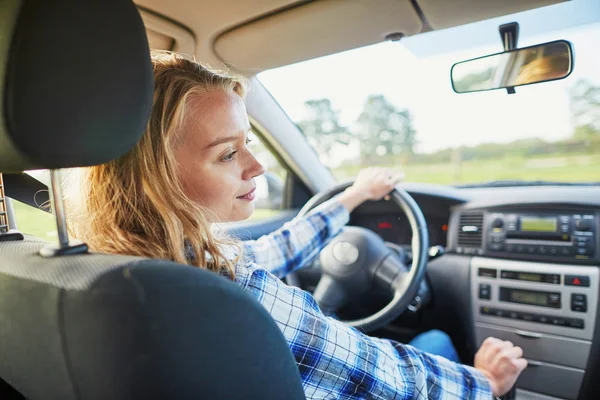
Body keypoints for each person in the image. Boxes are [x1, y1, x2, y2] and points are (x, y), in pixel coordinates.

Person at [64, 52, 526, 399]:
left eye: (248, 143)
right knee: (436, 341)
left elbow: (273, 249)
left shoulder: (99, 264)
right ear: (155, 177)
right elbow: (381, 373)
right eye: (228, 153)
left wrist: (352, 197)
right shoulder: (229, 292)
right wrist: (485, 381)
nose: (257, 166)